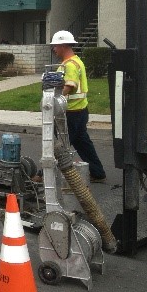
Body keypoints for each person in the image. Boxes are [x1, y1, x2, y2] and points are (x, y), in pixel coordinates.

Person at [50, 30, 107, 183]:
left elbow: (70, 85)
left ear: (62, 45)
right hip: (80, 111)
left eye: (55, 46)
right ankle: (97, 172)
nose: (54, 49)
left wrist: (52, 100)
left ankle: (46, 175)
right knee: (83, 144)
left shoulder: (69, 65)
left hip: (71, 113)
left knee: (60, 146)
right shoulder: (77, 61)